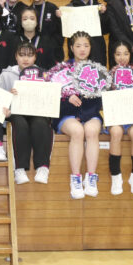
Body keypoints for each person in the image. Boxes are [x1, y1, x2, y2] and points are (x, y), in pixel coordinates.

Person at [51, 32, 103, 199]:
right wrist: (68, 98)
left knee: (91, 131)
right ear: (71, 48)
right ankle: (75, 178)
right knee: (78, 131)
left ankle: (91, 177)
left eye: (86, 46)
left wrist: (84, 113)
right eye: (78, 46)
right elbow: (52, 97)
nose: (82, 49)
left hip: (90, 113)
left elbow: (100, 101)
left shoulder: (97, 70)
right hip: (66, 114)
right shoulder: (60, 70)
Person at [0, 42, 52, 184]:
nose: (25, 59)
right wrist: (8, 97)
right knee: (20, 124)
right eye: (22, 55)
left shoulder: (44, 75)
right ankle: (19, 169)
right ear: (16, 56)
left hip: (37, 113)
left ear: (35, 57)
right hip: (14, 113)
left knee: (41, 123)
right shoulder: (6, 75)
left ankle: (42, 167)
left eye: (30, 55)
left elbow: (50, 100)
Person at [105, 41, 133, 196]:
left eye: (125, 53)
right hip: (116, 117)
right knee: (116, 132)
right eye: (118, 54)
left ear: (130, 55)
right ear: (113, 56)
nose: (122, 57)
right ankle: (116, 176)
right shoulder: (108, 75)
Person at [63, 0, 108, 65]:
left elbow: (106, 30)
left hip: (97, 49)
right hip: (77, 50)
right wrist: (60, 17)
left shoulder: (99, 7)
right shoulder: (70, 8)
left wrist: (104, 14)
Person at [28, 0, 63, 64]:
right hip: (34, 48)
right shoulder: (28, 10)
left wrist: (54, 44)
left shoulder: (52, 8)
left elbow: (60, 29)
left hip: (51, 49)